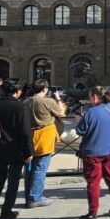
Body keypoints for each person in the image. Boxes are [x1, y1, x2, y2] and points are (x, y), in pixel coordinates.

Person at [74, 86, 110, 219]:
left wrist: (79, 120)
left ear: (95, 97)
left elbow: (80, 130)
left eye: (90, 97)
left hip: (93, 152)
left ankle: (92, 214)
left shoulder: (91, 112)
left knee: (93, 183)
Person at [0, 79, 33, 219]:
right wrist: (29, 151)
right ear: (17, 91)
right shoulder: (20, 106)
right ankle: (6, 211)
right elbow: (25, 131)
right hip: (16, 148)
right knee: (13, 181)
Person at [24, 79, 65, 208]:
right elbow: (61, 113)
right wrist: (58, 99)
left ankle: (29, 196)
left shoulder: (26, 101)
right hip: (45, 135)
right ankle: (36, 197)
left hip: (30, 135)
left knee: (29, 169)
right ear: (45, 89)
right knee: (40, 168)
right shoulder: (47, 101)